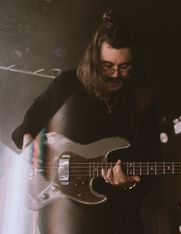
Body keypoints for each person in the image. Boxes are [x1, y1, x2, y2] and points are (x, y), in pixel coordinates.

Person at [12, 9, 161, 234]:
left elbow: (151, 164)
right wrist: (29, 149)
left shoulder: (143, 102)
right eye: (107, 66)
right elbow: (30, 122)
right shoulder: (68, 85)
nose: (115, 74)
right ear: (93, 59)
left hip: (118, 220)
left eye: (124, 67)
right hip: (62, 219)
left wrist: (128, 183)